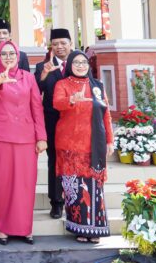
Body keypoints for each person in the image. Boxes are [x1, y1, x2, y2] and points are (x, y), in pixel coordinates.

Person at [0, 41, 47, 245]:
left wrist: (41, 137)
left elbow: (36, 107)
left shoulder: (28, 77)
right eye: (4, 54)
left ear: (18, 55)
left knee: (25, 183)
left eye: (12, 53)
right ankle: (2, 228)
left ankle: (24, 228)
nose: (8, 57)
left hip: (25, 137)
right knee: (1, 182)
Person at [53, 50, 114, 243]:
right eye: (76, 62)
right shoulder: (62, 84)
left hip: (94, 144)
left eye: (84, 62)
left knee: (94, 188)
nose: (81, 66)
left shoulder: (98, 86)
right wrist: (71, 100)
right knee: (75, 189)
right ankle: (79, 227)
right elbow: (57, 103)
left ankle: (96, 229)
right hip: (69, 145)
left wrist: (110, 140)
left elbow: (106, 115)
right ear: (70, 64)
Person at [35, 28, 73, 219]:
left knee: (74, 160)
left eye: (63, 43)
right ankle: (56, 202)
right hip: (52, 120)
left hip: (75, 121)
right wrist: (44, 74)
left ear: (70, 44)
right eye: (55, 44)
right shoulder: (42, 66)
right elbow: (35, 90)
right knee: (55, 161)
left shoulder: (79, 63)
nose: (59, 47)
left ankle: (74, 200)